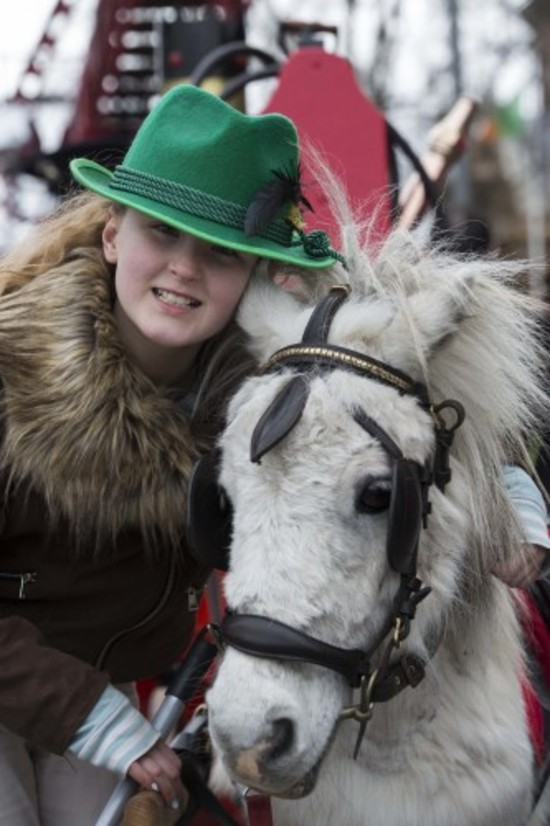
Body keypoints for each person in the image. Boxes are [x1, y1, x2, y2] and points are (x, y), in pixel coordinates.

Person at [0, 83, 344, 826]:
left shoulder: (259, 392)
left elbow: (402, 405)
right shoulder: (7, 368)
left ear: (253, 274)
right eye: (162, 232)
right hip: (50, 686)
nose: (186, 269)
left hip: (107, 687)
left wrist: (512, 498)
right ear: (111, 234)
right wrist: (94, 718)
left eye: (221, 252)